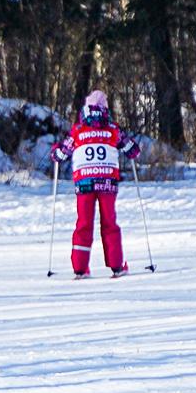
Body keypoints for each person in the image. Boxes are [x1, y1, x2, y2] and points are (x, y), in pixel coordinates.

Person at [50, 90, 141, 278]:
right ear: (105, 110)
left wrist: (55, 152)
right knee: (109, 223)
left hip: (84, 182)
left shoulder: (78, 130)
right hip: (107, 181)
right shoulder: (112, 130)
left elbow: (61, 154)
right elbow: (133, 151)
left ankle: (80, 268)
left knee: (84, 223)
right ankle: (117, 266)